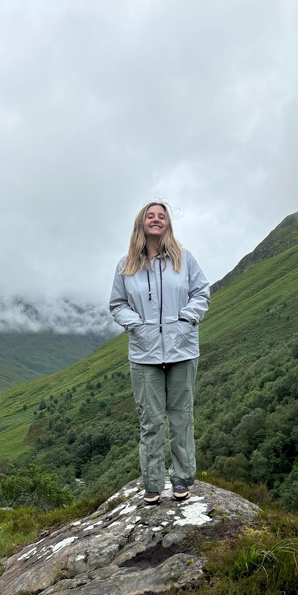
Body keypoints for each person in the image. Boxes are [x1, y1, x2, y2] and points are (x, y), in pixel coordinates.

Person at [109, 202, 210, 504]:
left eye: (161, 216)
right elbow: (117, 304)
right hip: (144, 354)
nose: (156, 220)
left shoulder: (184, 259)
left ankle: (181, 481)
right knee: (150, 421)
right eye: (150, 216)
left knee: (181, 418)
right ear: (141, 223)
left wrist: (187, 318)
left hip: (182, 350)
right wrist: (136, 325)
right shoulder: (126, 265)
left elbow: (202, 292)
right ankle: (152, 485)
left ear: (167, 224)